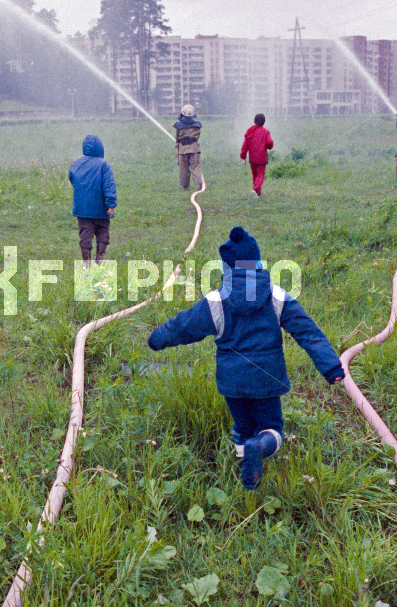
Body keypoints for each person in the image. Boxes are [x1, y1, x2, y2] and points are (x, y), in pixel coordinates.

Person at [147, 226, 345, 490]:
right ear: (259, 265)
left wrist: (157, 339)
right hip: (267, 380)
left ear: (227, 270)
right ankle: (260, 447)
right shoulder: (277, 297)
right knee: (272, 428)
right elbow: (308, 332)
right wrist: (331, 366)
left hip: (233, 384)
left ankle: (247, 476)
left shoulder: (216, 301)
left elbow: (182, 327)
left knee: (242, 426)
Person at [69, 134, 117, 267]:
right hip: (101, 209)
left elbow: (72, 179)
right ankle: (99, 260)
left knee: (85, 236)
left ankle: (86, 264)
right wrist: (111, 204)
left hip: (82, 209)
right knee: (103, 233)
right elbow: (109, 185)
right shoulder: (104, 165)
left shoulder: (75, 163)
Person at [240, 113, 274, 197]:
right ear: (264, 122)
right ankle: (255, 189)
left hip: (252, 158)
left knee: (255, 175)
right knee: (260, 175)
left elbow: (245, 145)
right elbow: (269, 143)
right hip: (262, 158)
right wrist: (269, 146)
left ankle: (257, 194)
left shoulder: (250, 131)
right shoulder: (266, 132)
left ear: (255, 121)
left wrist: (243, 157)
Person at [173, 104, 203, 190]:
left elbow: (177, 137)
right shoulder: (197, 125)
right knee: (196, 167)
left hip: (183, 149)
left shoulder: (179, 125)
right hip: (194, 148)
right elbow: (197, 136)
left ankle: (185, 187)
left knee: (184, 169)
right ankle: (198, 185)